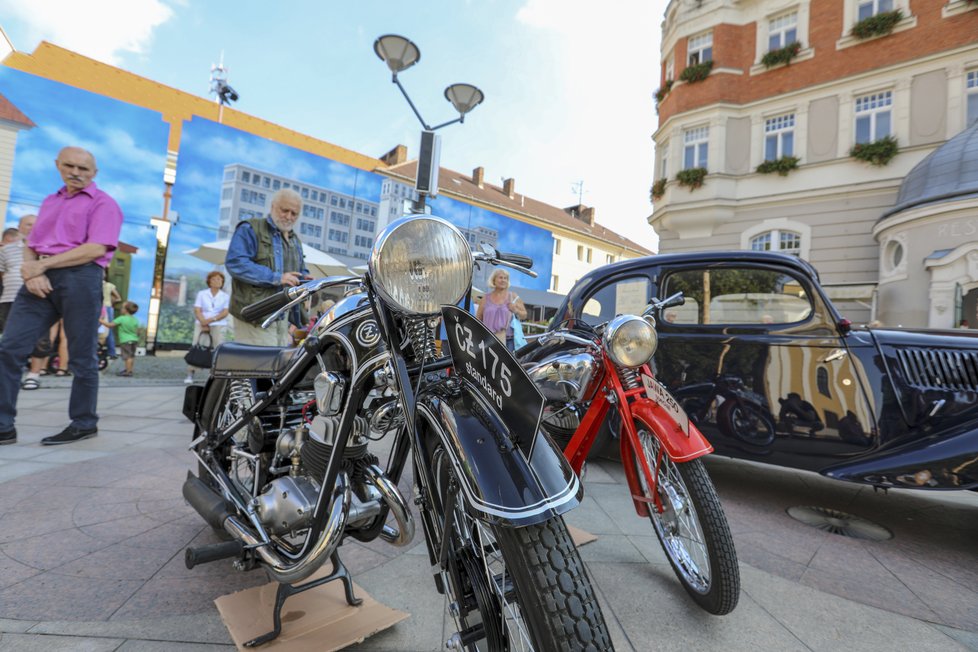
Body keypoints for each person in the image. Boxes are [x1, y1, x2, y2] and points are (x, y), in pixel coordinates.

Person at [0, 146, 123, 446]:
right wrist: (35, 270)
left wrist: (42, 265)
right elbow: (33, 242)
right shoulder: (50, 201)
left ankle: (83, 422)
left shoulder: (105, 204)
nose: (76, 173)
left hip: (82, 276)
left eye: (84, 169)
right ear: (58, 165)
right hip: (41, 279)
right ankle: (3, 425)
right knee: (10, 348)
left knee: (82, 356)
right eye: (69, 166)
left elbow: (96, 248)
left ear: (94, 173)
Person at [226, 188, 308, 346]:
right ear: (272, 206)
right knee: (256, 368)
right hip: (255, 316)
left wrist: (305, 279)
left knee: (275, 368)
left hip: (282, 317)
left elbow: (299, 270)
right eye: (285, 210)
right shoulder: (250, 228)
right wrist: (277, 278)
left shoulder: (295, 240)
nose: (289, 217)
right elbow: (236, 263)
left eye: (294, 213)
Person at [185, 270, 230, 383]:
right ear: (209, 281)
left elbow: (225, 312)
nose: (217, 281)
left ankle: (214, 375)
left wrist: (210, 320)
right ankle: (190, 374)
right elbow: (197, 309)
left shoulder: (225, 296)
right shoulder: (202, 293)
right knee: (197, 346)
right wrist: (203, 321)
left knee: (217, 349)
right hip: (201, 323)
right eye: (214, 279)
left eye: (219, 279)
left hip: (218, 324)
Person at [475, 268, 527, 352]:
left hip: (508, 341)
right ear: (494, 280)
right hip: (488, 340)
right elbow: (478, 318)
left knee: (507, 365)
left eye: (505, 278)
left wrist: (515, 310)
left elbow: (524, 315)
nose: (503, 280)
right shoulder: (485, 298)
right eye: (500, 277)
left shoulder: (513, 296)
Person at [0, 215, 36, 334]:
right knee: (8, 336)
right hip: (9, 299)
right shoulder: (6, 250)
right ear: (19, 227)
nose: (32, 228)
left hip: (36, 299)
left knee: (36, 340)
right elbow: (2, 274)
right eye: (28, 224)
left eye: (35, 224)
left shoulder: (46, 249)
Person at [100, 301, 139, 377]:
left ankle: (128, 372)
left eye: (122, 308)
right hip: (134, 340)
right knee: (131, 356)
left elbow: (110, 325)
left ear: (126, 310)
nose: (121, 309)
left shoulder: (122, 318)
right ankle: (129, 369)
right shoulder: (135, 319)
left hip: (125, 341)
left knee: (127, 357)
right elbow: (137, 331)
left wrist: (100, 320)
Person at [102, 271, 121, 359]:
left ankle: (109, 352)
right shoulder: (109, 285)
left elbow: (118, 298)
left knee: (103, 329)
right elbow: (118, 298)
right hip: (108, 307)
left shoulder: (94, 284)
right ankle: (111, 352)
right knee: (108, 330)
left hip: (100, 307)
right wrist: (110, 301)